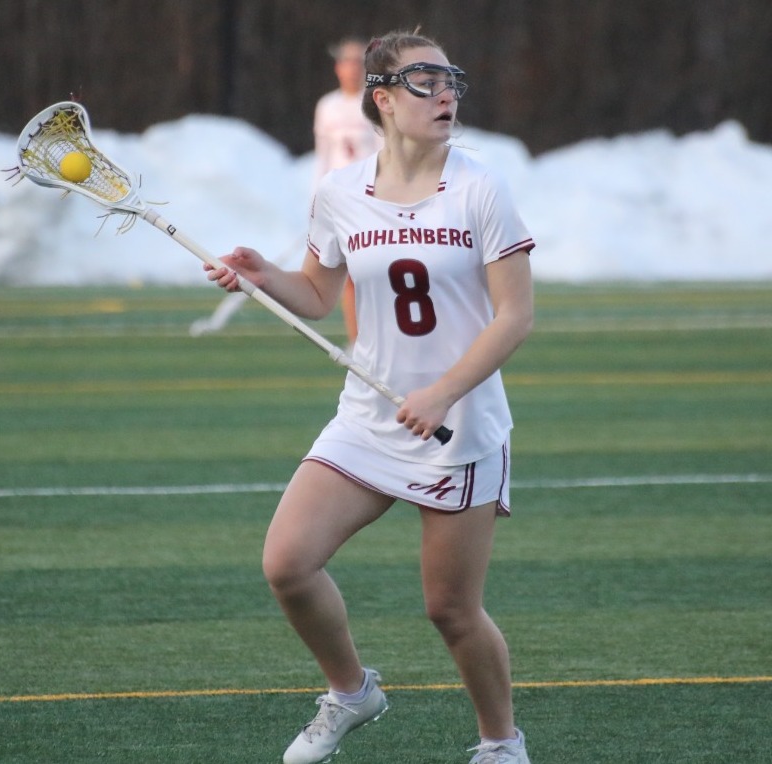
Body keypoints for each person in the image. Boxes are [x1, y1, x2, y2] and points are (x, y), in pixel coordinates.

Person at [203, 30, 534, 764]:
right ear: (381, 100)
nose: (446, 92)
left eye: (450, 78)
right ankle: (352, 692)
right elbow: (319, 293)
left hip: (461, 428)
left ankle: (500, 744)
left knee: (450, 610)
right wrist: (262, 275)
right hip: (368, 417)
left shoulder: (481, 186)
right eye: (424, 81)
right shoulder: (340, 191)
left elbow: (517, 316)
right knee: (287, 563)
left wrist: (446, 391)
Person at [190, 36, 380, 340]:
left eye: (360, 62)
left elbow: (384, 154)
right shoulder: (328, 106)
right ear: (337, 67)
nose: (353, 69)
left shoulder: (375, 103)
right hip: (339, 203)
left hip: (371, 200)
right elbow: (324, 156)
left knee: (370, 275)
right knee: (343, 277)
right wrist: (318, 200)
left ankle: (375, 339)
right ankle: (359, 342)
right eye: (347, 61)